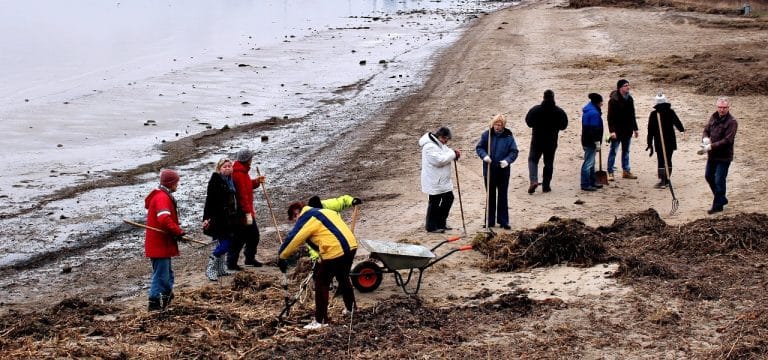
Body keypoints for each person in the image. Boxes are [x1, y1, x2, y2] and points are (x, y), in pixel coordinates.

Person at [278, 200, 358, 330]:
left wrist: (282, 256)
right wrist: (321, 256)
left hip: (335, 251)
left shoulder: (307, 217)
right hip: (351, 246)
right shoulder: (323, 212)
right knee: (343, 277)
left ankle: (320, 320)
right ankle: (351, 309)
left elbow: (294, 238)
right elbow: (326, 235)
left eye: (294, 219)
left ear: (296, 213)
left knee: (321, 282)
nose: (295, 222)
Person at [144, 169, 186, 311]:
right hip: (159, 243)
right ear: (171, 183)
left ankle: (167, 298)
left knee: (167, 273)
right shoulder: (162, 197)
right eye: (176, 183)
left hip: (161, 243)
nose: (177, 185)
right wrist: (178, 231)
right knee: (161, 274)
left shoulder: (162, 195)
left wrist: (177, 233)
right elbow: (163, 218)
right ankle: (154, 303)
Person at [475, 114, 519, 229]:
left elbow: (514, 151)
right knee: (490, 195)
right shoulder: (487, 135)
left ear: (503, 125)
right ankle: (489, 221)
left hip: (503, 171)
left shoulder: (508, 137)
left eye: (499, 125)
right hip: (489, 170)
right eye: (496, 124)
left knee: (502, 195)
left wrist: (507, 161)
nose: (497, 127)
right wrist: (484, 156)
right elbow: (479, 148)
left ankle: (503, 221)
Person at [228, 149, 266, 270]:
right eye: (250, 158)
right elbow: (242, 195)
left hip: (245, 212)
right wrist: (247, 213)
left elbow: (247, 185)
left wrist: (256, 181)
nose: (251, 160)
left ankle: (248, 259)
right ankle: (233, 262)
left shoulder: (242, 171)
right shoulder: (239, 174)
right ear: (247, 159)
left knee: (250, 236)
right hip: (242, 213)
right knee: (242, 238)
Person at [202, 158, 239, 281]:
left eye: (229, 166)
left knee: (224, 243)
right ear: (219, 169)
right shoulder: (215, 181)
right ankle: (210, 269)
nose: (227, 168)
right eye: (224, 166)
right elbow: (209, 201)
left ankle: (220, 269)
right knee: (225, 244)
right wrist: (206, 218)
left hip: (230, 219)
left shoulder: (230, 181)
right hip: (219, 219)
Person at [525, 89, 568, 193]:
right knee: (548, 163)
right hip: (551, 142)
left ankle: (534, 180)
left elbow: (528, 122)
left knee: (533, 160)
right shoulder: (559, 111)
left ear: (543, 97)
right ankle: (546, 186)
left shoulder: (535, 110)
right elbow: (563, 126)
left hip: (537, 140)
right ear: (553, 98)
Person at [699, 97, 738, 214]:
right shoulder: (713, 117)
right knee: (708, 176)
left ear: (728, 108)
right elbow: (706, 130)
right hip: (712, 155)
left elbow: (728, 140)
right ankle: (721, 199)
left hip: (724, 156)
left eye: (724, 108)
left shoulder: (732, 122)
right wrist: (705, 139)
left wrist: (711, 146)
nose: (721, 110)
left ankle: (717, 206)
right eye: (720, 107)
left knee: (719, 179)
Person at [419, 127, 460, 233]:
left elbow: (448, 153)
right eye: (446, 139)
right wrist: (453, 154)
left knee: (449, 198)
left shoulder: (440, 145)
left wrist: (454, 154)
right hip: (434, 180)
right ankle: (431, 226)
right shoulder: (429, 147)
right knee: (434, 202)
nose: (446, 141)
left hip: (443, 180)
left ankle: (441, 222)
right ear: (440, 136)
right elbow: (439, 161)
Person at [646, 92, 685, 189]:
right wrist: (682, 130)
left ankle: (662, 181)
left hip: (659, 141)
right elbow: (678, 123)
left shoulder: (654, 114)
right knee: (668, 159)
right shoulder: (670, 112)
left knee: (661, 160)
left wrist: (649, 142)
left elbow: (650, 130)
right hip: (670, 140)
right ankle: (667, 180)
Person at [607, 79, 639, 181]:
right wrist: (612, 131)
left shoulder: (630, 99)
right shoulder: (613, 100)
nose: (628, 87)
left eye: (628, 85)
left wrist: (635, 128)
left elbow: (632, 115)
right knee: (613, 151)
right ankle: (610, 172)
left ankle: (626, 171)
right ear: (620, 88)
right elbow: (610, 117)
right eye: (625, 86)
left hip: (627, 130)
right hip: (617, 131)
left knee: (626, 151)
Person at [581, 93, 605, 191]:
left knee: (591, 162)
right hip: (591, 141)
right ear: (597, 102)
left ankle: (592, 181)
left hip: (586, 139)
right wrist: (597, 142)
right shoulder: (594, 113)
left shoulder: (588, 110)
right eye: (601, 102)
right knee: (588, 163)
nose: (602, 104)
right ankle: (586, 184)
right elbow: (594, 129)